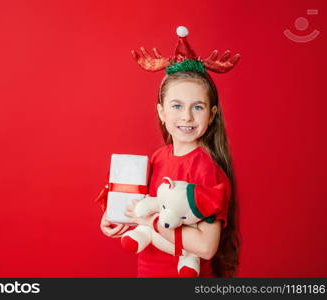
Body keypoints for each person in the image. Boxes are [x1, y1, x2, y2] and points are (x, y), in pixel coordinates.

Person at [99, 26, 240, 277]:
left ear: (212, 114)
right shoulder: (157, 158)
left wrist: (149, 222)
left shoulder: (206, 169)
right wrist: (115, 218)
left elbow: (206, 247)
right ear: (162, 113)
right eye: (176, 105)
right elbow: (143, 209)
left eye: (198, 107)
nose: (186, 116)